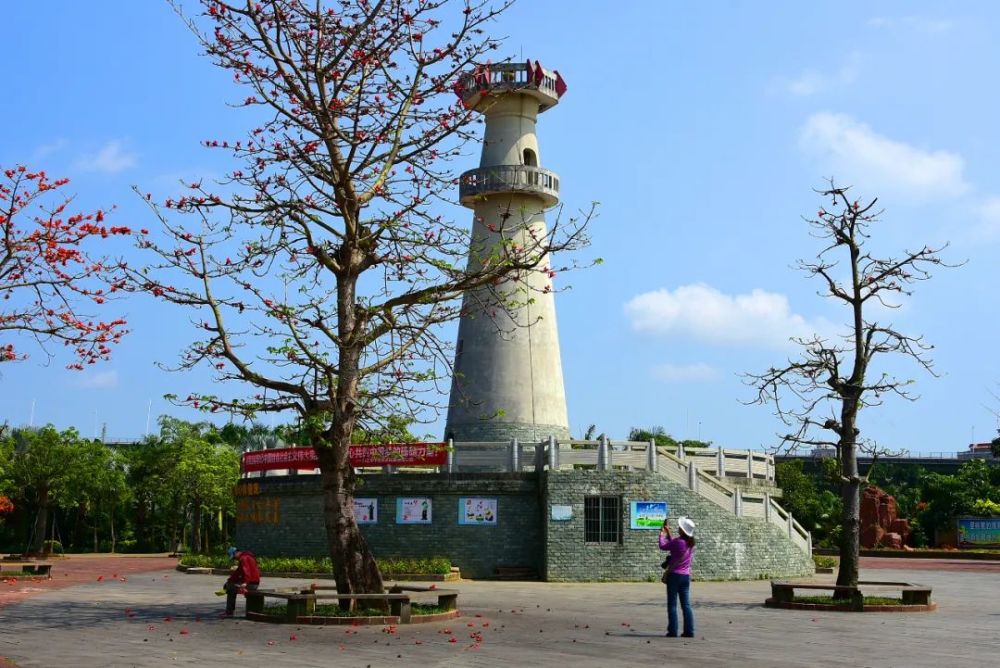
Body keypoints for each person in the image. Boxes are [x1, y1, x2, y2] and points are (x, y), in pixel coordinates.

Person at [658, 516, 696, 638]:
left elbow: (663, 546)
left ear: (683, 530)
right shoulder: (690, 544)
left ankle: (673, 631)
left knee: (672, 604)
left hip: (674, 576)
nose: (679, 528)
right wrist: (669, 533)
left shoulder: (678, 542)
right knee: (686, 605)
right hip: (685, 577)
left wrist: (662, 534)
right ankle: (689, 631)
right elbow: (675, 543)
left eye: (680, 527)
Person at [223, 546, 261, 616]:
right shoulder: (247, 556)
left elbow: (247, 572)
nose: (235, 559)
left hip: (251, 584)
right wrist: (229, 580)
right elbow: (238, 572)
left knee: (230, 588)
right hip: (254, 582)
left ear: (236, 552)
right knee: (229, 584)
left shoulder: (243, 558)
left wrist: (245, 583)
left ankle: (229, 612)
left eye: (234, 557)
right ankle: (229, 611)